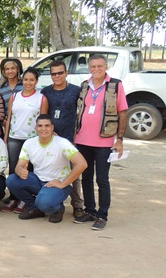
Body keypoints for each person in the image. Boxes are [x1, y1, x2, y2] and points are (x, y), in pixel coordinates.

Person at [73, 54, 128, 230]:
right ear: (89, 67)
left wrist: (119, 139)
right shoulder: (84, 86)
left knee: (102, 179)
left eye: (100, 66)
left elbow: (122, 113)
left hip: (104, 141)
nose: (96, 69)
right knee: (86, 177)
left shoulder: (115, 85)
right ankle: (90, 210)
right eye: (93, 66)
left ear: (106, 67)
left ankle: (102, 215)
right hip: (82, 140)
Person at [6, 115, 88, 223]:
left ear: (52, 127)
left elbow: (82, 164)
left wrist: (63, 183)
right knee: (11, 180)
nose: (43, 129)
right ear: (35, 127)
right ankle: (35, 208)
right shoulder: (29, 143)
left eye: (47, 126)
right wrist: (20, 171)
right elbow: (19, 166)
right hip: (38, 180)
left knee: (44, 203)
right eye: (40, 125)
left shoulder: (62, 143)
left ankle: (58, 209)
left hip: (57, 183)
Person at [40, 60, 85, 218]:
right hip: (51, 138)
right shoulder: (46, 92)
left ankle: (78, 205)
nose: (57, 76)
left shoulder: (76, 91)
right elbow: (44, 115)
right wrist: (49, 134)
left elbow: (82, 113)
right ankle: (52, 202)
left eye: (60, 73)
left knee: (74, 172)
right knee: (51, 169)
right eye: (54, 73)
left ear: (67, 73)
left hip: (70, 138)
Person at [3, 68, 49, 212]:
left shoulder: (41, 98)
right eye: (26, 79)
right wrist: (6, 138)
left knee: (28, 170)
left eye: (32, 80)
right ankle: (13, 198)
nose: (28, 83)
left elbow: (43, 120)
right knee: (13, 168)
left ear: (36, 81)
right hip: (14, 137)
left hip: (32, 140)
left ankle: (25, 200)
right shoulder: (15, 97)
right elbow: (9, 117)